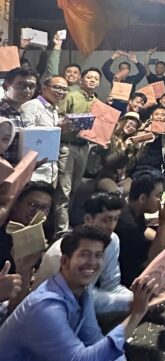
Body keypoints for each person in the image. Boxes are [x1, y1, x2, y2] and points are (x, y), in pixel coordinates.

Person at [0, 225, 165, 361]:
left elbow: (92, 338)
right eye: (84, 254)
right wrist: (135, 315)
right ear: (64, 262)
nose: (92, 262)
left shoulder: (81, 292)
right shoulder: (45, 307)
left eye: (98, 255)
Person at [35, 192, 133, 317]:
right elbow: (78, 297)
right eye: (105, 220)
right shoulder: (64, 250)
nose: (111, 226)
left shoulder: (112, 240)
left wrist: (136, 298)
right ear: (88, 219)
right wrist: (131, 301)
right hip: (52, 309)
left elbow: (111, 285)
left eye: (116, 219)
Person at [55, 67, 102, 236]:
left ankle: (66, 224)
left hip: (85, 146)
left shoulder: (98, 102)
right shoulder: (71, 95)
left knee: (75, 187)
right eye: (89, 77)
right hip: (68, 145)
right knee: (64, 189)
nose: (92, 80)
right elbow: (58, 117)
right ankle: (60, 230)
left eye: (96, 78)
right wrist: (71, 122)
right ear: (81, 79)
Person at [0, 181, 54, 316]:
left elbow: (17, 309)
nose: (37, 212)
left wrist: (24, 270)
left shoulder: (41, 237)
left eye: (44, 208)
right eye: (32, 205)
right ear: (16, 204)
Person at [114, 173, 165, 287]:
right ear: (143, 198)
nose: (161, 200)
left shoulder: (132, 209)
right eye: (158, 196)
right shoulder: (129, 225)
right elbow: (151, 260)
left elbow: (144, 232)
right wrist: (164, 224)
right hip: (125, 282)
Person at [20, 75, 69, 184]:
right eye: (57, 88)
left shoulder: (54, 109)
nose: (61, 92)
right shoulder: (32, 106)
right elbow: (28, 138)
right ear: (44, 88)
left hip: (50, 169)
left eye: (65, 89)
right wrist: (56, 130)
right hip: (35, 171)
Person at [0, 68, 37, 165]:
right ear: (5, 86)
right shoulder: (1, 112)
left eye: (31, 86)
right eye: (21, 85)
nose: (27, 90)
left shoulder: (23, 113)